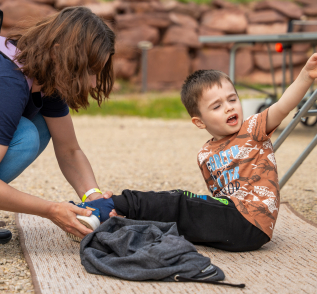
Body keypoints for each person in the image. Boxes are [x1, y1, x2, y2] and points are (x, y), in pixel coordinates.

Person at [73, 53, 317, 252]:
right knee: (172, 223)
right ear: (200, 122)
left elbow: (283, 106)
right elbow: (214, 202)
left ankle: (107, 204)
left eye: (232, 100)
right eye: (217, 106)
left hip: (249, 221)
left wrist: (306, 75)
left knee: (179, 200)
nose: (229, 108)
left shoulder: (253, 128)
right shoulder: (205, 155)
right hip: (230, 226)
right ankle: (112, 219)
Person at [0, 6, 115, 263]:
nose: (95, 83)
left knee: (40, 126)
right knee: (23, 135)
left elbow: (69, 149)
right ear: (58, 53)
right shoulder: (7, 82)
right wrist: (52, 210)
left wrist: (92, 196)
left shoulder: (41, 76)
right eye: (90, 70)